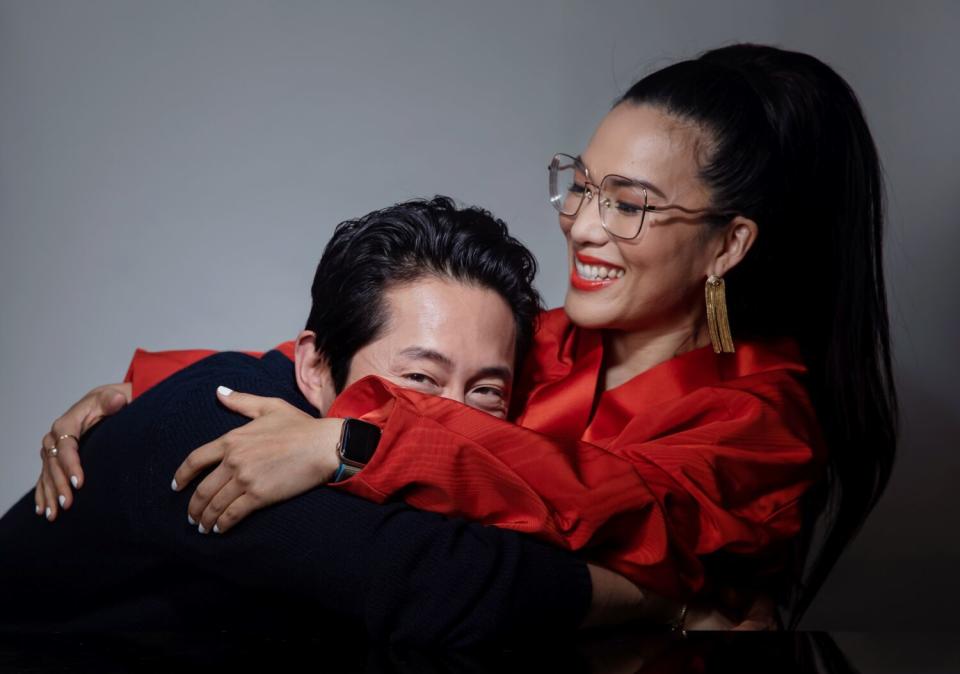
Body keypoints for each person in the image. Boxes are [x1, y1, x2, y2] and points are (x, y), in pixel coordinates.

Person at [34, 44, 897, 627]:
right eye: (582, 185)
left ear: (728, 244)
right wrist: (147, 393)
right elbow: (360, 360)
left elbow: (601, 496)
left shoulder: (762, 423)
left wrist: (353, 447)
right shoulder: (548, 340)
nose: (582, 227)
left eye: (627, 205)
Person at [6, 197, 712, 643]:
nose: (452, 421)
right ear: (314, 366)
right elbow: (437, 581)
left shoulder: (414, 444)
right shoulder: (211, 427)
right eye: (418, 378)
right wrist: (665, 606)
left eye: (486, 391)